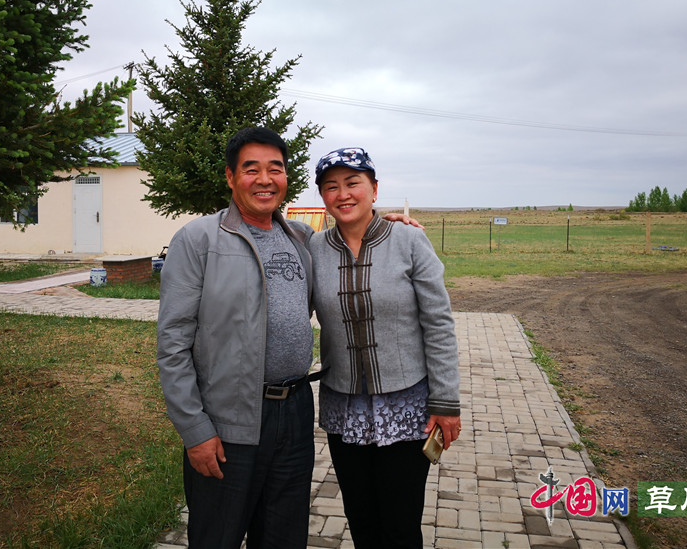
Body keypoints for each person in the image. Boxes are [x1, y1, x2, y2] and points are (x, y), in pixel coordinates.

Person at [157, 129, 419, 548]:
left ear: (285, 177)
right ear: (230, 177)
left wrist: (385, 223)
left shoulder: (302, 239)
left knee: (283, 537)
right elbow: (172, 345)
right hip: (227, 419)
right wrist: (194, 429)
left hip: (294, 415)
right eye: (251, 169)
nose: (264, 179)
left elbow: (350, 236)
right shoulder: (199, 240)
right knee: (217, 537)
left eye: (274, 169)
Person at [309, 146, 462, 549]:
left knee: (400, 523)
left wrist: (445, 401)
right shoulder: (313, 249)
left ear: (374, 189)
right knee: (361, 518)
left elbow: (438, 323)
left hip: (407, 408)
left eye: (353, 183)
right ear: (322, 197)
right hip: (344, 410)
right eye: (331, 186)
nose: (343, 194)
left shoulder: (409, 240)